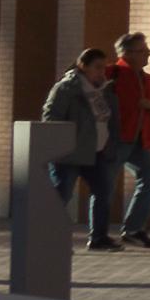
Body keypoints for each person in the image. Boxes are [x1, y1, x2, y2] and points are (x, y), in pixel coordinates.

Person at [37, 45, 112, 246]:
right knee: (61, 193)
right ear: (82, 66)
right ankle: (45, 236)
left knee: (103, 191)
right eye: (97, 67)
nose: (101, 72)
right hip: (70, 151)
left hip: (96, 151)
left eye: (104, 67)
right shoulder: (66, 88)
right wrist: (62, 141)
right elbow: (51, 116)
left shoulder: (103, 89)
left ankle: (98, 238)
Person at [101, 30, 150, 249]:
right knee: (105, 185)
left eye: (148, 49)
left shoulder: (149, 80)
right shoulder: (111, 74)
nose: (148, 54)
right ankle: (98, 235)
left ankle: (134, 229)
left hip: (141, 141)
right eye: (143, 50)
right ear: (127, 53)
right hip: (116, 140)